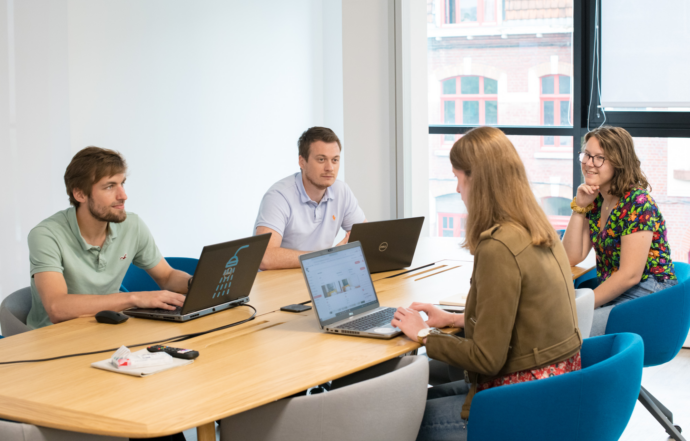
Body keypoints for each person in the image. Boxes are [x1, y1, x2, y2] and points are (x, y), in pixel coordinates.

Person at [391, 127, 582, 441]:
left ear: (476, 179)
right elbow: (520, 318)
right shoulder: (537, 228)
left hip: (518, 404)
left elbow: (486, 359)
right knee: (410, 402)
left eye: (458, 177)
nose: (456, 188)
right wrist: (455, 320)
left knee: (397, 421)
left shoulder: (498, 247)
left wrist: (424, 333)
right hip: (553, 390)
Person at [27, 147, 190, 330]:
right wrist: (134, 298)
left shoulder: (132, 225)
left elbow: (167, 276)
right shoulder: (46, 235)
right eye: (110, 186)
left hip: (107, 329)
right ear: (80, 194)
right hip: (53, 338)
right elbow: (57, 307)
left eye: (122, 184)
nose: (123, 196)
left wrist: (197, 284)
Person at [562, 126, 677, 336]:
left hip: (649, 296)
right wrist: (579, 207)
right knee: (560, 324)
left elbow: (630, 275)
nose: (588, 163)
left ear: (618, 163)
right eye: (586, 154)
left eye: (598, 158)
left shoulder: (637, 203)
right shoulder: (596, 200)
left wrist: (582, 307)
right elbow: (570, 256)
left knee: (570, 332)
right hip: (620, 293)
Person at [254, 127, 365, 270]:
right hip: (277, 284)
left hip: (318, 275)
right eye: (321, 159)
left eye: (335, 160)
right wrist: (328, 256)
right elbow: (265, 257)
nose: (330, 168)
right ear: (302, 161)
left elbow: (367, 239)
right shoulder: (279, 196)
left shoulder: (341, 191)